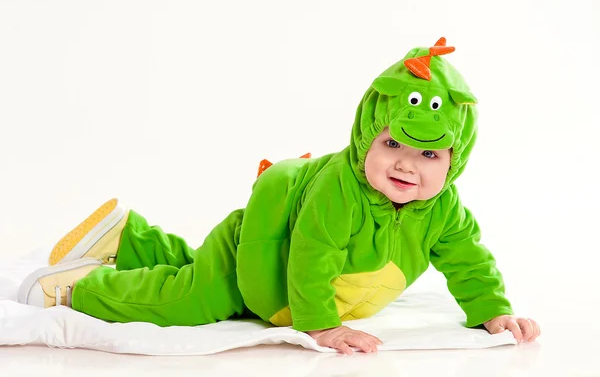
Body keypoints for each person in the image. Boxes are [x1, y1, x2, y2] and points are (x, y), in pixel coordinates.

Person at [18, 37, 540, 355]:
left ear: (455, 162)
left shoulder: (444, 210)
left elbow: (469, 259)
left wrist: (491, 310)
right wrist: (322, 326)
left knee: (193, 269)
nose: (406, 163)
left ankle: (129, 237)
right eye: (392, 143)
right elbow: (313, 252)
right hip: (263, 253)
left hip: (270, 276)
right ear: (366, 137)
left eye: (430, 156)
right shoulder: (343, 188)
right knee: (190, 299)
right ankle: (78, 290)